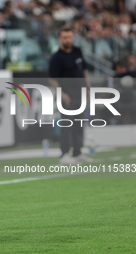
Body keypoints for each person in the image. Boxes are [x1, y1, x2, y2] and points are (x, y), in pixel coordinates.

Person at [49, 26, 92, 164]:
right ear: (60, 39)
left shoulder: (77, 52)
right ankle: (64, 154)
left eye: (70, 37)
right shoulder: (56, 58)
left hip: (80, 93)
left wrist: (88, 88)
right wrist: (62, 94)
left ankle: (78, 152)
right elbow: (53, 79)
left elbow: (83, 72)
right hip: (67, 95)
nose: (68, 40)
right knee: (67, 125)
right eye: (65, 37)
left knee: (79, 124)